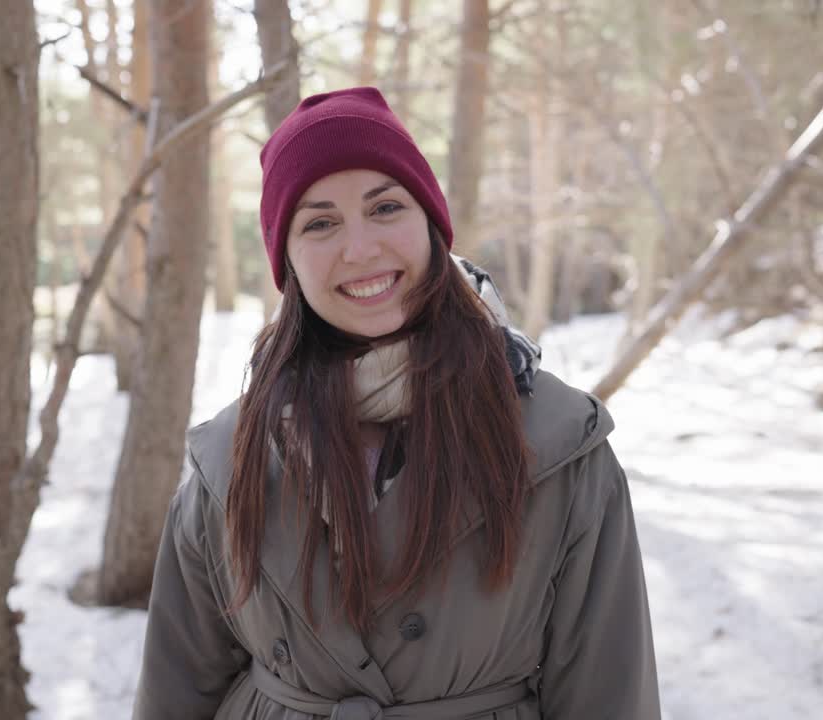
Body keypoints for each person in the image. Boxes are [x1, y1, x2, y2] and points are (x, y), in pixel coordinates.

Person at [133, 86, 660, 719]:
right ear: (288, 260)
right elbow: (175, 691)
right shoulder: (230, 460)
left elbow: (609, 694)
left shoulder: (558, 447)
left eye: (385, 208)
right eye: (321, 222)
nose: (360, 249)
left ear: (432, 225)